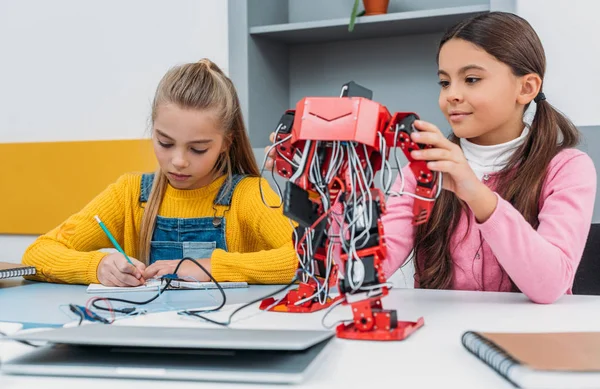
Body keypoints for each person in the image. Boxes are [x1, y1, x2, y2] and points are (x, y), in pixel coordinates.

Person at [265, 12, 596, 304]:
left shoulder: (567, 169)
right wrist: (325, 187)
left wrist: (477, 194)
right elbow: (361, 269)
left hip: (530, 343)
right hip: (439, 345)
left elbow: (551, 284)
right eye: (444, 81)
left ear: (526, 88)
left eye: (471, 79)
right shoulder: (418, 173)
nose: (451, 94)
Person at [23, 59, 298, 287]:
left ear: (226, 142)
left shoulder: (249, 194)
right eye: (165, 143)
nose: (178, 161)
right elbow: (36, 255)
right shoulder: (129, 195)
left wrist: (213, 267)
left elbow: (312, 260)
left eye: (198, 149)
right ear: (153, 129)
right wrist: (97, 266)